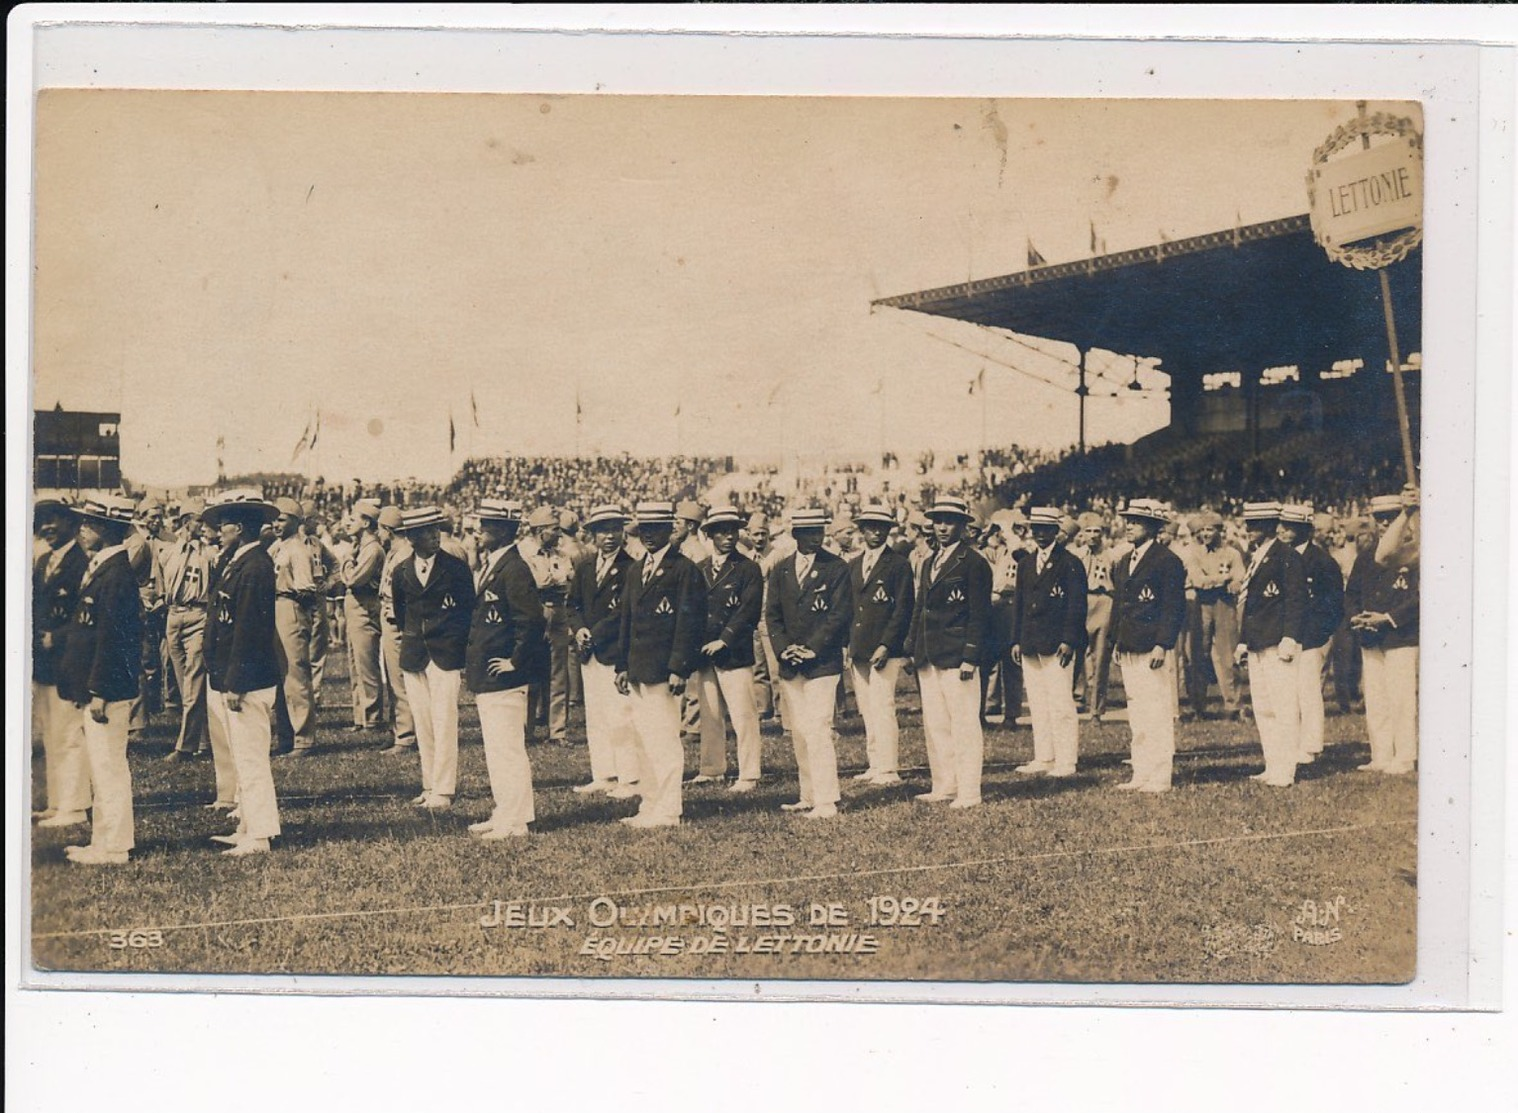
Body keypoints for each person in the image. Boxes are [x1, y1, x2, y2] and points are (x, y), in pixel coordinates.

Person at [54, 494, 144, 864]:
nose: (81, 529)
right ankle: (102, 840)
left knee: (109, 768)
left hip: (107, 690)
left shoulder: (117, 575)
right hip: (96, 687)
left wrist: (99, 691)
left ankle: (116, 845)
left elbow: (113, 640)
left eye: (88, 524)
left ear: (106, 530)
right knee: (100, 766)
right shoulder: (104, 569)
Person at [614, 500, 707, 828]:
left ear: (670, 531)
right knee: (643, 739)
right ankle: (649, 803)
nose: (650, 536)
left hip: (664, 670)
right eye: (644, 531)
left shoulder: (684, 570)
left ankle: (668, 809)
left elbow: (690, 623)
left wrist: (679, 667)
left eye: (657, 530)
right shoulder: (636, 569)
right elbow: (625, 619)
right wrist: (621, 665)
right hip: (638, 667)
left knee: (664, 740)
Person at [202, 490, 284, 855]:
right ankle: (249, 825)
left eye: (225, 524)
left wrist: (236, 680)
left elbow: (249, 629)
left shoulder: (255, 566)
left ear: (242, 527)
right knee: (242, 756)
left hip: (247, 681)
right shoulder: (238, 561)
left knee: (251, 759)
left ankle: (260, 834)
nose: (219, 530)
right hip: (234, 677)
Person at [465, 498, 549, 838]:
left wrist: (514, 661)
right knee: (499, 748)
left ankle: (513, 821)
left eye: (486, 525)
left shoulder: (514, 568)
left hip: (504, 676)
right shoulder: (496, 563)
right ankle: (508, 811)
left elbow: (529, 621)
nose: (479, 530)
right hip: (490, 674)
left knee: (507, 749)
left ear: (503, 530)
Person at [767, 506, 853, 818]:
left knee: (818, 727)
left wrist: (812, 648)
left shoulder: (837, 568)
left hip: (822, 663)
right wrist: (784, 648)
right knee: (801, 731)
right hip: (792, 663)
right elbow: (772, 615)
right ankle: (809, 794)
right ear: (795, 535)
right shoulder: (782, 570)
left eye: (819, 531)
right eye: (808, 532)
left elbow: (839, 615)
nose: (815, 538)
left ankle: (827, 800)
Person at [392, 505, 477, 810]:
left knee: (444, 721)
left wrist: (455, 644)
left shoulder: (456, 568)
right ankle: (429, 784)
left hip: (445, 655)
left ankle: (444, 788)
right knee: (423, 722)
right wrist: (415, 638)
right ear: (411, 537)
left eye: (435, 530)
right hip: (415, 653)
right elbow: (402, 614)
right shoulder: (401, 571)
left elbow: (468, 610)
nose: (433, 537)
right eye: (425, 532)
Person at [910, 495, 992, 808]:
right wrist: (912, 647)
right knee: (936, 724)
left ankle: (969, 791)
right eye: (938, 521)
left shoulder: (973, 563)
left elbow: (979, 614)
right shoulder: (929, 561)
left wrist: (971, 655)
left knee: (964, 724)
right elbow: (921, 607)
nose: (943, 527)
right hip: (929, 653)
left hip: (958, 655)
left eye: (950, 521)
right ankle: (944, 784)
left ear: (963, 526)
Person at [1107, 498, 1188, 793]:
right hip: (1129, 644)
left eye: (1136, 521)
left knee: (1156, 711)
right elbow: (1120, 604)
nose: (1129, 526)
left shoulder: (1167, 561)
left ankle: (1159, 775)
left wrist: (1162, 644)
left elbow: (1172, 607)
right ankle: (1140, 771)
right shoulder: (1126, 560)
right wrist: (1117, 638)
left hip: (1151, 645)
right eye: (1128, 520)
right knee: (1137, 711)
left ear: (1153, 527)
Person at [1011, 507, 1089, 778]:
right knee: (1038, 701)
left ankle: (1066, 760)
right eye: (1037, 529)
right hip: (1031, 641)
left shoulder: (1070, 563)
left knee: (1060, 702)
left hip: (1057, 643)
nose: (1041, 535)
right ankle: (1044, 756)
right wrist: (1017, 640)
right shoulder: (1025, 564)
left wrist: (1069, 639)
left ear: (1057, 531)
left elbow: (1077, 606)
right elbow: (1019, 604)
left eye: (1047, 529)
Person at [691, 507, 766, 791]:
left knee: (743, 714)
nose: (728, 537)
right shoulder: (699, 568)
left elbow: (748, 611)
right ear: (709, 535)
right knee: (709, 712)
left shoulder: (748, 568)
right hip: (704, 652)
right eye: (721, 531)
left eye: (732, 531)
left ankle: (749, 773)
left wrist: (724, 639)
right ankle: (712, 768)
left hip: (733, 652)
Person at [1233, 501, 1307, 787]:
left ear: (1269, 526)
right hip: (1257, 641)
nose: (1250, 530)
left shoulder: (1286, 556)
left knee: (1283, 705)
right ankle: (1273, 763)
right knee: (1263, 706)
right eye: (1249, 524)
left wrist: (1290, 636)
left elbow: (1296, 600)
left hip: (1278, 642)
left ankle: (1286, 768)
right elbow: (1251, 606)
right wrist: (1243, 641)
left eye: (1256, 524)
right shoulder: (1258, 557)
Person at [568, 505, 639, 797]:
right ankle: (604, 773)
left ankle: (630, 777)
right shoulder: (585, 567)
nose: (609, 537)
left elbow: (624, 611)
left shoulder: (630, 567)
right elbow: (572, 605)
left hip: (614, 649)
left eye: (614, 530)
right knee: (596, 714)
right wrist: (579, 629)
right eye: (602, 531)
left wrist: (594, 633)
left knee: (620, 714)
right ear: (592, 535)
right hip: (589, 652)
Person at [1347, 494, 1419, 775]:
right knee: (1376, 698)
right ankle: (1381, 754)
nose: (1386, 523)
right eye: (1381, 519)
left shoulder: (1416, 554)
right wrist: (1356, 616)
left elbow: (1418, 598)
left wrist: (1388, 619)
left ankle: (1404, 756)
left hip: (1401, 635)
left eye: (1392, 516)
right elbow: (1352, 592)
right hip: (1370, 636)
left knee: (1401, 698)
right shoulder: (1367, 558)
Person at [31, 496, 91, 827]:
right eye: (42, 520)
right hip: (44, 665)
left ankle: (75, 805)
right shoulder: (42, 563)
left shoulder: (82, 564)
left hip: (69, 664)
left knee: (69, 734)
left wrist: (60, 636)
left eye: (54, 519)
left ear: (70, 522)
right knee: (51, 735)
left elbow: (89, 617)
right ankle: (57, 802)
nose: (46, 527)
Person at [845, 503, 914, 787]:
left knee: (883, 705)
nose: (875, 532)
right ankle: (875, 763)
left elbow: (903, 608)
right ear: (861, 530)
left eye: (881, 527)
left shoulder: (898, 564)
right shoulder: (854, 564)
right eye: (870, 526)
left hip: (885, 647)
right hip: (859, 646)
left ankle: (889, 767)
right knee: (867, 708)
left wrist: (887, 644)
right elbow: (849, 608)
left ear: (889, 530)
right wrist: (847, 645)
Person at [1280, 503, 1345, 765]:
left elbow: (1332, 603)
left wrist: (1319, 634)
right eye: (1282, 526)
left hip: (1310, 637)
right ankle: (1292, 741)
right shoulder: (1282, 557)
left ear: (1305, 530)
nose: (1283, 531)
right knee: (1289, 692)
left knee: (1308, 691)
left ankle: (1310, 745)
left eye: (1290, 528)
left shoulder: (1321, 561)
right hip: (1287, 636)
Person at [157, 499, 215, 763]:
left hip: (198, 616)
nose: (203, 527)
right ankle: (205, 740)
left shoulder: (209, 554)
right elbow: (159, 583)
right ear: (185, 522)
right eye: (199, 521)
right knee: (185, 686)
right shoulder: (167, 551)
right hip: (173, 616)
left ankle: (185, 747)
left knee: (193, 681)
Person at [269, 497, 322, 756]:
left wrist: (299, 614)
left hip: (290, 606)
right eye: (275, 519)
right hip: (276, 607)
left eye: (282, 519)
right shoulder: (277, 547)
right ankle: (285, 737)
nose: (276, 524)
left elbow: (306, 588)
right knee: (280, 677)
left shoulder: (299, 550)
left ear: (295, 521)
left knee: (295, 675)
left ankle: (303, 738)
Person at [1181, 510, 1246, 721]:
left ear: (1220, 531)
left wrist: (1225, 581)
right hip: (1200, 605)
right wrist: (1224, 579)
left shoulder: (1232, 554)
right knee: (1196, 654)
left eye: (1211, 530)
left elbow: (1240, 579)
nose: (1206, 534)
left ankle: (1232, 705)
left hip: (1224, 606)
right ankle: (1197, 705)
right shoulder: (1195, 554)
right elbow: (1198, 580)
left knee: (1227, 656)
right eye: (1203, 530)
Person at [523, 506, 576, 746]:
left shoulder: (561, 555)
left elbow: (566, 580)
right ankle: (527, 729)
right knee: (530, 672)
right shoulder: (524, 553)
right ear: (540, 531)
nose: (559, 535)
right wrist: (553, 581)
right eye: (554, 530)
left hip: (558, 611)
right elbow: (537, 583)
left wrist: (551, 582)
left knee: (558, 674)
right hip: (533, 611)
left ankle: (558, 731)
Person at [376, 505, 417, 756]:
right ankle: (398, 730)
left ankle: (406, 736)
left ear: (388, 530)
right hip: (388, 617)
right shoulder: (394, 552)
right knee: (391, 679)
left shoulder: (403, 554)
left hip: (396, 621)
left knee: (400, 681)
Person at [341, 498, 385, 731]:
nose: (348, 522)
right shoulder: (361, 547)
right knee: (355, 664)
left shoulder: (372, 549)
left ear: (367, 522)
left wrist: (347, 561)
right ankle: (361, 717)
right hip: (356, 608)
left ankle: (372, 718)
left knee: (366, 665)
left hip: (365, 608)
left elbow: (354, 579)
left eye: (354, 518)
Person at [1070, 511, 1117, 723]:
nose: (1092, 536)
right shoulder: (1076, 555)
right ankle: (1075, 700)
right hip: (1081, 603)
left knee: (1100, 659)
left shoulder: (1112, 556)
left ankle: (1096, 710)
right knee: (1074, 656)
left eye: (1097, 531)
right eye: (1088, 531)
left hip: (1104, 601)